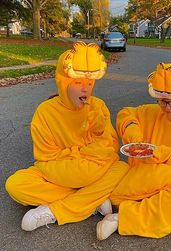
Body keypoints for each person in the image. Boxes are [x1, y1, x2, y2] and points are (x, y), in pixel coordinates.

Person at [5, 41, 129, 231]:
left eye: (89, 83)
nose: (85, 89)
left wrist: (99, 129)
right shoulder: (45, 112)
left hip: (93, 169)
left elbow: (110, 150)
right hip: (63, 171)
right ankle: (91, 199)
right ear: (63, 83)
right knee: (16, 184)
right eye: (78, 82)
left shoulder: (99, 106)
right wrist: (80, 155)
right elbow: (45, 158)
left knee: (121, 168)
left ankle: (55, 212)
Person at [96, 62, 171, 240]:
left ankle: (120, 219)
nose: (167, 107)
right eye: (162, 101)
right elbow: (125, 114)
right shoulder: (152, 112)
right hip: (138, 180)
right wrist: (133, 134)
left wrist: (163, 154)